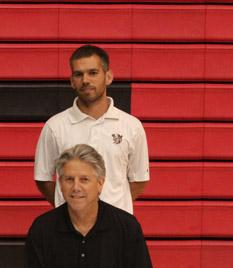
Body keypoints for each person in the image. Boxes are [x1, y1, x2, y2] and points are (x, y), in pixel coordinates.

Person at [34, 45, 149, 214]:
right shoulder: (55, 126)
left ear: (108, 76)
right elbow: (43, 179)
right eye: (78, 74)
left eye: (93, 73)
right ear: (72, 81)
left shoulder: (131, 126)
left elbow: (139, 181)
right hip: (68, 227)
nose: (85, 80)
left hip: (115, 228)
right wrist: (72, 207)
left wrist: (110, 213)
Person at [24, 144, 156, 268]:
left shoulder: (127, 227)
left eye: (84, 180)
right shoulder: (42, 229)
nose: (76, 187)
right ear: (60, 184)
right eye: (69, 179)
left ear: (100, 183)